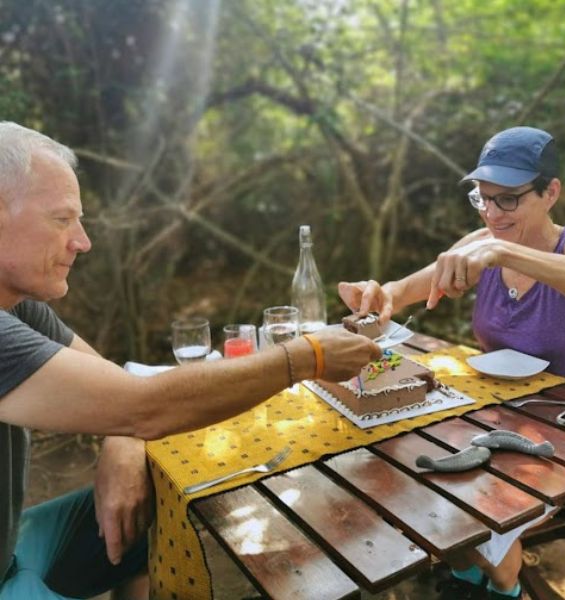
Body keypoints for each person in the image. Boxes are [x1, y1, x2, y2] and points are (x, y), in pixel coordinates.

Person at [0, 121, 382, 600]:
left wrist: (124, 440)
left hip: (15, 548)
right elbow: (143, 406)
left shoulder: (19, 306)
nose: (82, 241)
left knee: (155, 498)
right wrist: (310, 356)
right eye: (61, 220)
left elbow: (117, 389)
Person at [339, 126, 565, 600]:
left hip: (564, 438)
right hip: (488, 419)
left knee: (473, 520)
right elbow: (402, 292)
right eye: (483, 200)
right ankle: (472, 575)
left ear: (551, 192)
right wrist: (379, 295)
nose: (493, 214)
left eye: (508, 200)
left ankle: (491, 582)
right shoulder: (480, 241)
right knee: (401, 473)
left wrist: (505, 252)